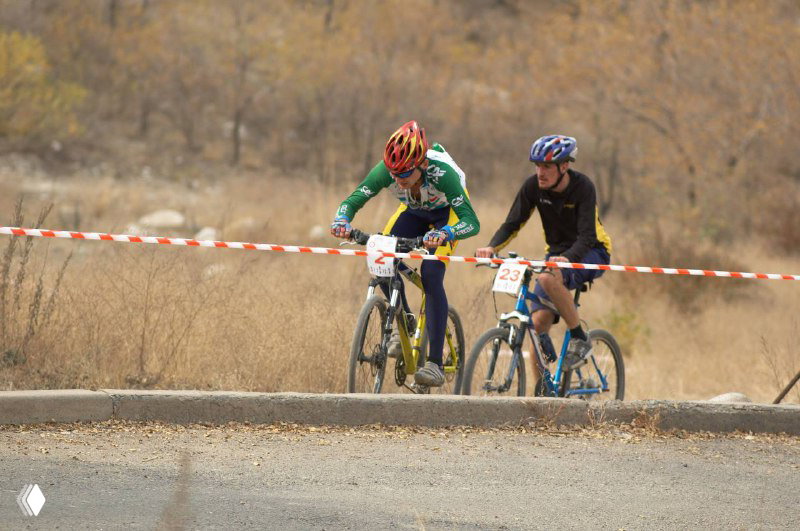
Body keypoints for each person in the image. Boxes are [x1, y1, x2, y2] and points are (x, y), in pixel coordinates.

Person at [331, 120, 480, 387]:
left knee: (432, 273)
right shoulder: (388, 171)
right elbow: (353, 200)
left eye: (405, 174)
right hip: (414, 212)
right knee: (383, 256)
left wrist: (446, 233)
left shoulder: (442, 173)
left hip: (448, 216)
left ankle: (434, 363)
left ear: (422, 164)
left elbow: (472, 222)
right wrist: (341, 220)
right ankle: (405, 323)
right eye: (394, 173)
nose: (398, 179)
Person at [475, 135, 612, 372]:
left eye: (547, 166)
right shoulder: (533, 187)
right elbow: (512, 223)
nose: (540, 172)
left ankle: (579, 337)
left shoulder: (583, 187)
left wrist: (568, 259)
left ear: (564, 166)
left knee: (547, 277)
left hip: (593, 251)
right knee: (536, 328)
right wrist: (492, 247)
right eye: (537, 165)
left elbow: (587, 236)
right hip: (557, 254)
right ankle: (542, 396)